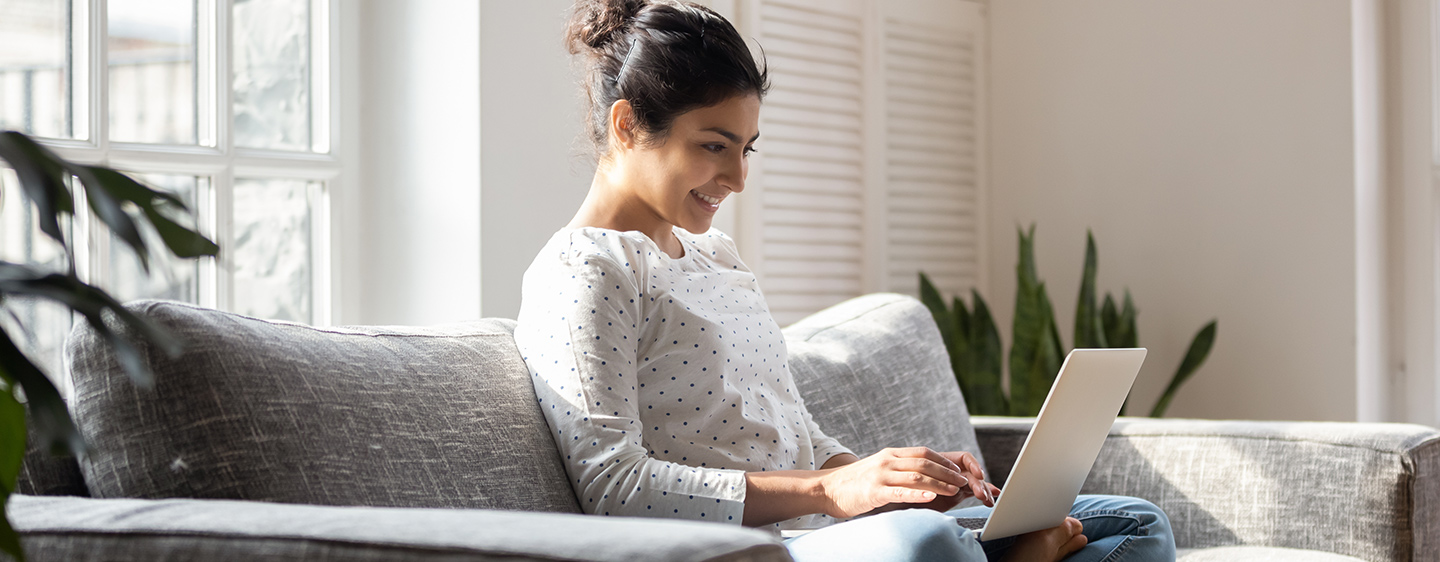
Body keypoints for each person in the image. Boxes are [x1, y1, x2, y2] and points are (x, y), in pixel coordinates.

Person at [513, 1, 1177, 560]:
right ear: (627, 126)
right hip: (745, 550)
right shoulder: (585, 272)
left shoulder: (716, 257)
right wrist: (831, 492)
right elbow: (616, 486)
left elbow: (796, 436)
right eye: (714, 145)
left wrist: (885, 479)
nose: (739, 178)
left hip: (826, 533)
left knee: (1136, 522)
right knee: (929, 547)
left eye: (747, 149)